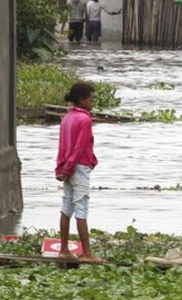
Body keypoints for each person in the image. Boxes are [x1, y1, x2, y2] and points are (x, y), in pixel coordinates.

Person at [54, 81, 104, 264]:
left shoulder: (67, 118)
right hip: (79, 167)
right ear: (82, 100)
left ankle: (64, 249)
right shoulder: (84, 119)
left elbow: (63, 147)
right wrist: (69, 168)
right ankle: (87, 253)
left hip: (67, 167)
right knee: (81, 208)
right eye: (91, 99)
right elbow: (79, 148)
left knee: (66, 207)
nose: (93, 102)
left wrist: (61, 168)